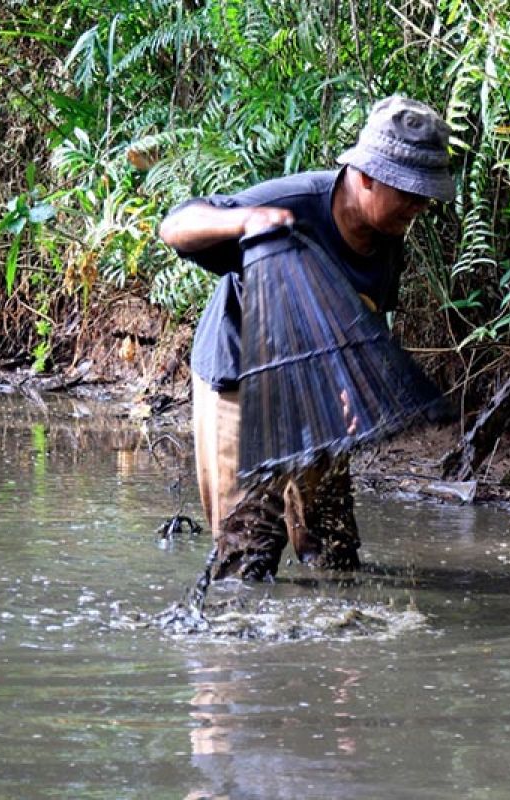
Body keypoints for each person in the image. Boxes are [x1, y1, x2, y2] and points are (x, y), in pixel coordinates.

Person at [159, 95, 454, 580]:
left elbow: (366, 317)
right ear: (367, 176)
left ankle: (334, 630)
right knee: (245, 553)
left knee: (334, 548)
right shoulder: (295, 204)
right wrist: (246, 222)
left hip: (314, 386)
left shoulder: (389, 234)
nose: (420, 205)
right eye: (409, 190)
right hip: (241, 379)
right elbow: (175, 226)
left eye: (426, 193)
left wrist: (348, 387)